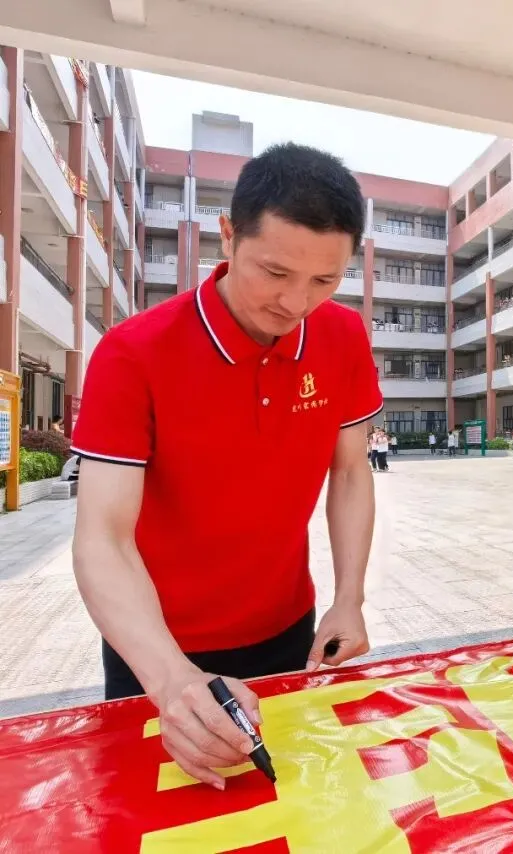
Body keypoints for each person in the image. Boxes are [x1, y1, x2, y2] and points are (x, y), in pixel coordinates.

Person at [70, 143, 383, 789]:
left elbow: (351, 474)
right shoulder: (135, 355)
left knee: (287, 808)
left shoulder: (343, 337)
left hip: (287, 624)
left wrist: (348, 599)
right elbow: (102, 535)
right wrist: (171, 678)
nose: (296, 302)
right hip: (156, 644)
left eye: (325, 281)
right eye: (274, 271)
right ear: (227, 236)